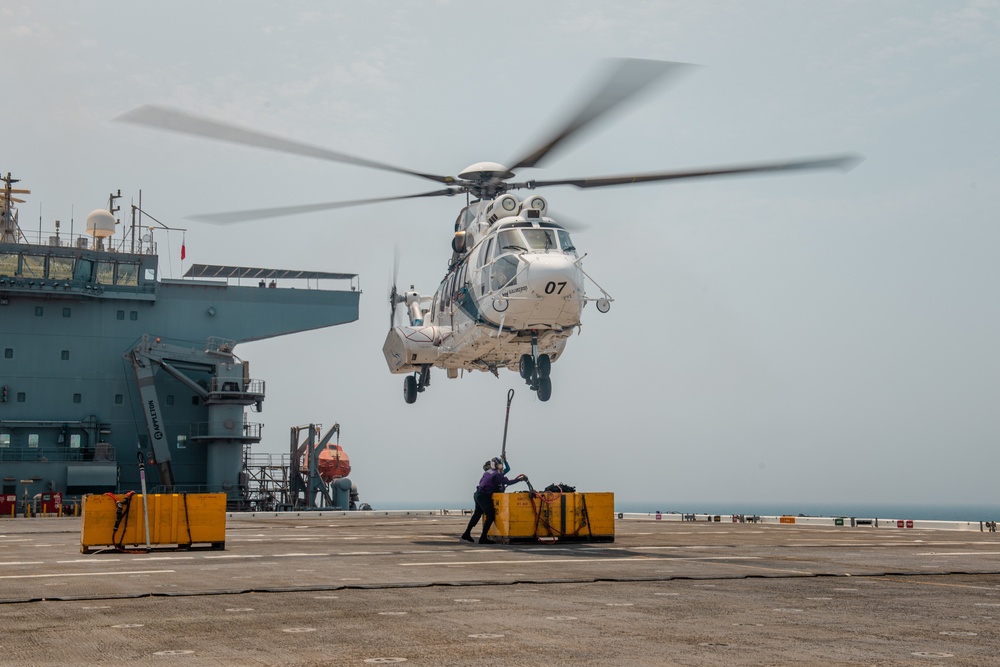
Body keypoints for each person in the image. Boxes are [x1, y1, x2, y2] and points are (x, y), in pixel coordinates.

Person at [460, 457, 526, 544]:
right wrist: (520, 479)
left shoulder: (488, 472)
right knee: (490, 515)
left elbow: (482, 482)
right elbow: (508, 482)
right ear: (496, 465)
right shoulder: (497, 475)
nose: (500, 466)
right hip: (483, 496)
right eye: (499, 465)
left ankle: (467, 533)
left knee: (477, 514)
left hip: (477, 494)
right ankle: (483, 537)